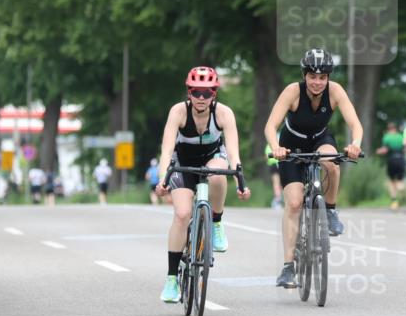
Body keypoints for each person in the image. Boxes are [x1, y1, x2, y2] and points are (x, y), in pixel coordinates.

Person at [264, 48, 363, 289]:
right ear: (304, 75)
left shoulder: (336, 91)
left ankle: (329, 210)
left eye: (322, 77)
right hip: (291, 146)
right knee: (295, 203)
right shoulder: (292, 92)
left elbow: (355, 124)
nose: (317, 82)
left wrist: (355, 145)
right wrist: (276, 147)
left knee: (331, 162)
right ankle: (288, 267)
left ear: (328, 77)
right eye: (312, 77)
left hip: (320, 139)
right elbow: (270, 126)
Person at [155, 66, 250, 302]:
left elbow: (234, 153)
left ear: (214, 94)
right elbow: (166, 150)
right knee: (182, 214)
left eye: (206, 93)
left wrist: (240, 180)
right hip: (182, 163)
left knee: (218, 172)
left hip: (212, 158)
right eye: (196, 92)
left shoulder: (224, 114)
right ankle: (171, 280)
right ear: (189, 92)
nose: (201, 98)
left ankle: (216, 222)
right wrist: (162, 179)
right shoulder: (178, 112)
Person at [376, 121, 406, 210]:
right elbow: (405, 149)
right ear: (395, 129)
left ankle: (394, 200)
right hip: (401, 160)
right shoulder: (401, 137)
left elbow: (385, 150)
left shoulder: (387, 137)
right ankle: (402, 189)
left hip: (391, 160)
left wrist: (379, 151)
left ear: (388, 129)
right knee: (400, 180)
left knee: (392, 181)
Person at [264, 144, 283, 209]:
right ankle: (282, 199)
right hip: (281, 162)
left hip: (273, 164)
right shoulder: (281, 141)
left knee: (276, 183)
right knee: (282, 183)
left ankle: (278, 200)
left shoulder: (268, 145)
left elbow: (267, 157)